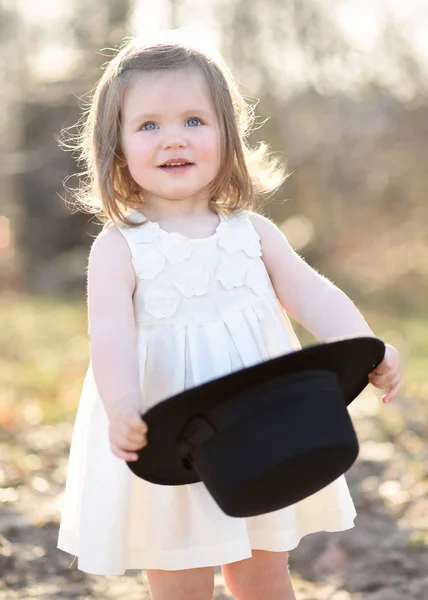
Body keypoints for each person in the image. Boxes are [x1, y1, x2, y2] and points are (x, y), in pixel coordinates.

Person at [57, 33, 403, 600]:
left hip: (258, 426)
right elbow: (112, 334)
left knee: (264, 571)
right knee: (180, 580)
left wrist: (366, 346)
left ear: (228, 135)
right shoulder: (120, 247)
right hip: (171, 430)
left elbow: (313, 294)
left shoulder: (252, 232)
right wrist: (123, 404)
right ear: (116, 146)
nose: (174, 138)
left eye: (194, 120)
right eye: (148, 126)